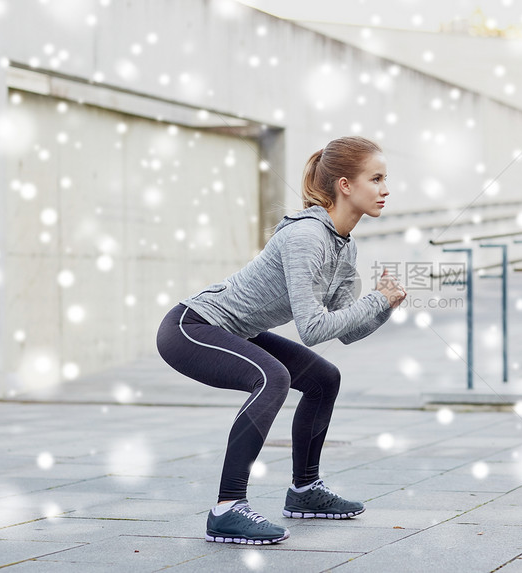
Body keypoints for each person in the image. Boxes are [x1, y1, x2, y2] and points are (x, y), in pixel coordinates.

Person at [156, 136, 406, 545]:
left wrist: (384, 306)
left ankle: (305, 491)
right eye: (375, 178)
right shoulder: (306, 237)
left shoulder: (345, 246)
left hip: (235, 330)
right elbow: (312, 328)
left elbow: (346, 331)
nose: (385, 189)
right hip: (192, 326)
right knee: (272, 377)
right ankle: (227, 509)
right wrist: (376, 299)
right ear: (345, 185)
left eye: (385, 179)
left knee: (325, 378)